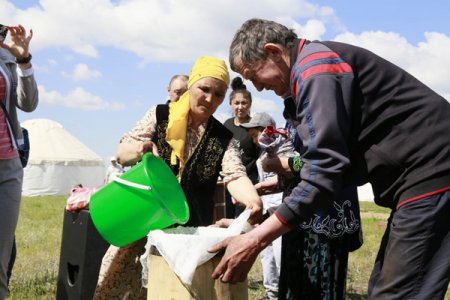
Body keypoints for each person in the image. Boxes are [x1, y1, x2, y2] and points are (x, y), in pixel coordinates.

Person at [210, 18, 450, 300]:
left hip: (432, 173)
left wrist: (256, 239)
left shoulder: (316, 69)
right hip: (420, 178)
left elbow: (323, 173)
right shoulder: (309, 71)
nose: (258, 88)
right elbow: (321, 164)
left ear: (273, 51)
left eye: (253, 75)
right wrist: (254, 221)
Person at [94, 56, 262, 299]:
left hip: (186, 239)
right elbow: (122, 151)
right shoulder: (160, 115)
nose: (209, 99)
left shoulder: (221, 138)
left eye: (218, 94)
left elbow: (235, 174)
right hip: (142, 224)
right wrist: (140, 149)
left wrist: (253, 200)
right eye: (204, 89)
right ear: (191, 85)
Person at [0, 24, 38, 299]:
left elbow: (28, 103)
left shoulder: (5, 57)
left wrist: (23, 60)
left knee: (0, 261)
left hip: (8, 165)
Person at [241, 112, 295, 300]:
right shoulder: (265, 151)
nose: (255, 140)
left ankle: (285, 291)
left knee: (281, 252)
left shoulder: (283, 147)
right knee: (267, 253)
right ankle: (271, 293)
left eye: (255, 135)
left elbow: (286, 174)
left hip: (280, 205)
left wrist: (258, 188)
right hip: (267, 206)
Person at [223, 77, 259, 218]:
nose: (240, 107)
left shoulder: (254, 126)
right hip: (231, 182)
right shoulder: (227, 124)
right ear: (231, 104)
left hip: (249, 181)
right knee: (230, 218)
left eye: (244, 103)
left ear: (250, 104)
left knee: (244, 220)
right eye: (236, 103)